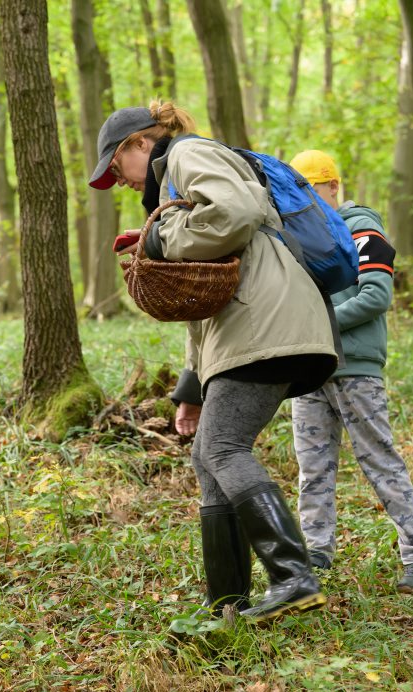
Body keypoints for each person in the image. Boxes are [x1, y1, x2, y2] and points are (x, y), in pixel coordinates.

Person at [89, 102, 340, 622]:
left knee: (222, 447)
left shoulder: (186, 152)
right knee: (209, 453)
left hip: (269, 322)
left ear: (141, 142)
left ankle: (294, 577)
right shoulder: (175, 181)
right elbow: (206, 295)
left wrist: (160, 239)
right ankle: (227, 600)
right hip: (247, 328)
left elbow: (237, 214)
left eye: (116, 168)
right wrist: (191, 387)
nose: (120, 182)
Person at [287, 149, 413, 592]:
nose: (308, 204)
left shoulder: (361, 229)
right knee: (312, 467)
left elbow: (375, 296)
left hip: (354, 367)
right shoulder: (305, 240)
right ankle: (316, 551)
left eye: (314, 191)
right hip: (310, 368)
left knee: (380, 461)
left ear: (333, 186)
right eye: (300, 196)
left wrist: (321, 328)